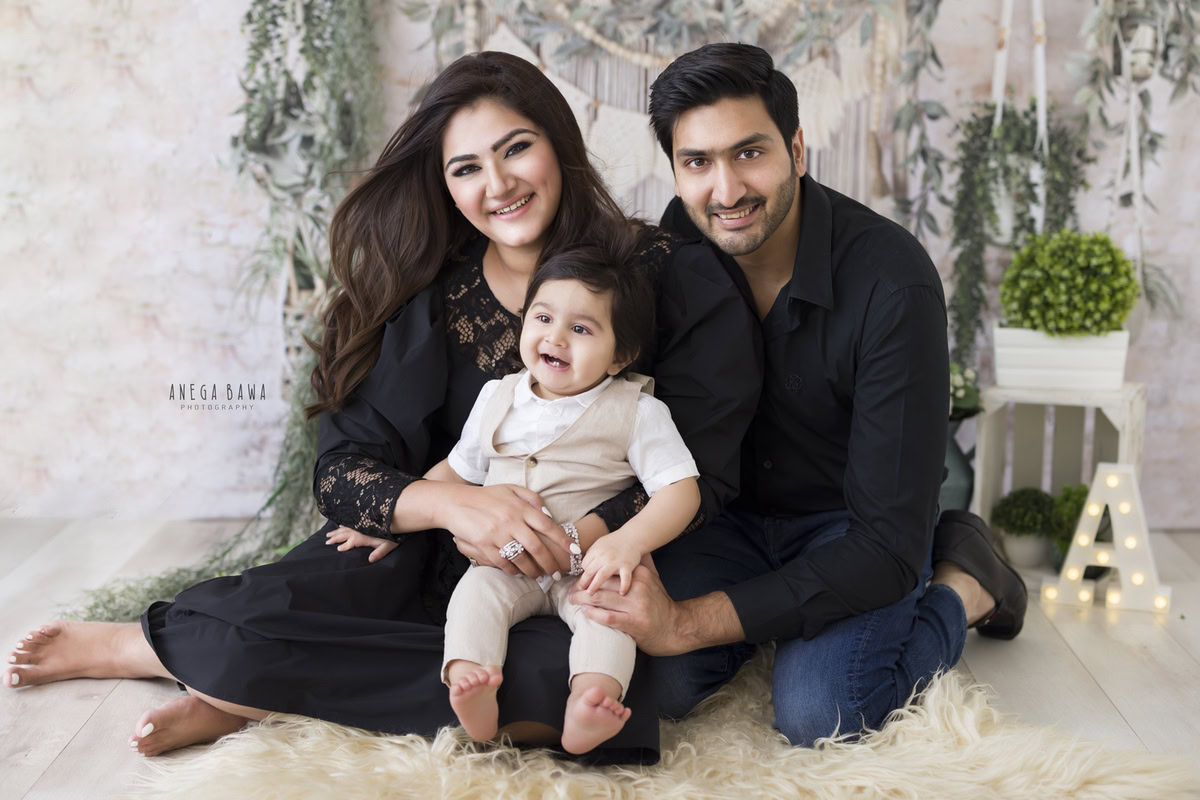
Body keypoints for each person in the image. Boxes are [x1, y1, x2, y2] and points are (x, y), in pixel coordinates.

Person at [4, 52, 759, 765]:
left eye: (515, 149)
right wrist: (448, 506)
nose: (497, 183)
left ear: (558, 146)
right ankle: (184, 658)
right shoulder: (436, 296)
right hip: (439, 557)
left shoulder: (667, 272)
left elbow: (705, 468)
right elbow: (343, 470)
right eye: (467, 168)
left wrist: (564, 536)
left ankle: (241, 679)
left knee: (594, 680)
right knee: (310, 585)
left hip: (603, 566)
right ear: (446, 186)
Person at [570, 43, 1028, 747]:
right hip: (722, 519)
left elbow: (881, 544)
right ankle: (770, 623)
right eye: (697, 163)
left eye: (749, 153)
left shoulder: (891, 282)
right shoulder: (676, 247)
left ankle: (964, 580)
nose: (724, 190)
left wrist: (690, 623)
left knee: (825, 710)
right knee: (648, 682)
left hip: (850, 524)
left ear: (797, 150)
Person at [333, 244, 701, 754]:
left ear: (621, 355)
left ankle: (591, 700)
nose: (555, 337)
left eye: (581, 328)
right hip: (505, 563)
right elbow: (455, 474)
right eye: (543, 317)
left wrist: (627, 544)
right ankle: (473, 683)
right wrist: (393, 516)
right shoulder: (497, 396)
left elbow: (681, 490)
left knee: (610, 616)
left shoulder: (637, 411)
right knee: (473, 599)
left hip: (589, 565)